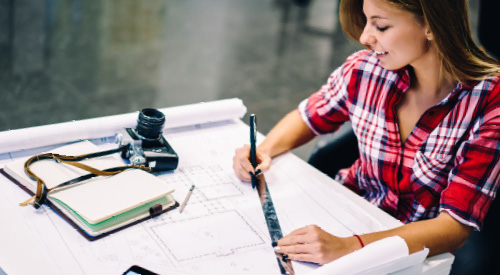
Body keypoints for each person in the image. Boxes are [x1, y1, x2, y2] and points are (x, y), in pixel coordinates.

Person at [232, 0, 500, 266]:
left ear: (431, 25)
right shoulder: (365, 69)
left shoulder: (489, 101)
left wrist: (351, 247)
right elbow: (309, 116)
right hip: (347, 213)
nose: (364, 37)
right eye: (367, 20)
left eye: (381, 26)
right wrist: (263, 151)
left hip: (417, 251)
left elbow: (453, 227)